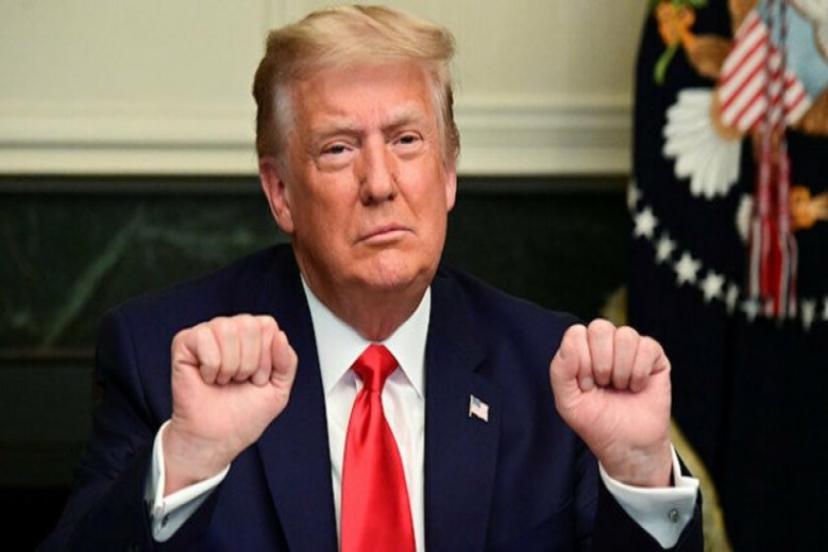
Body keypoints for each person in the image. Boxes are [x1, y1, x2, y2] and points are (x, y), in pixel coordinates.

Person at [43, 5, 702, 551]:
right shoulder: (162, 357)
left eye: (407, 140)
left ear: (448, 173)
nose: (380, 184)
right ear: (280, 192)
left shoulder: (550, 373)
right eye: (338, 149)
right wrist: (188, 462)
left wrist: (640, 477)